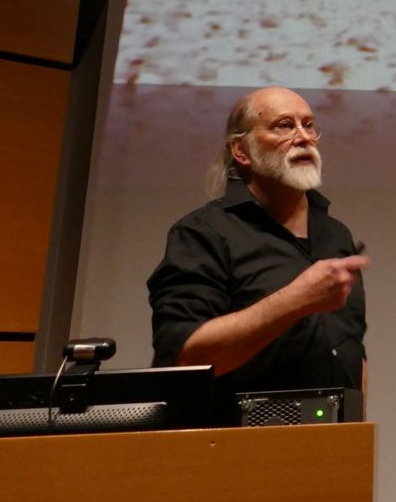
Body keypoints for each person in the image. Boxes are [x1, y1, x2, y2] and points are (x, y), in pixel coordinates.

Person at [147, 87, 368, 397]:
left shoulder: (336, 234)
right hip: (239, 440)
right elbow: (183, 358)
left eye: (309, 125)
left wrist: (358, 436)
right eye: (284, 125)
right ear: (242, 151)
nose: (303, 137)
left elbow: (351, 346)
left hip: (334, 440)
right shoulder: (203, 233)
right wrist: (295, 300)